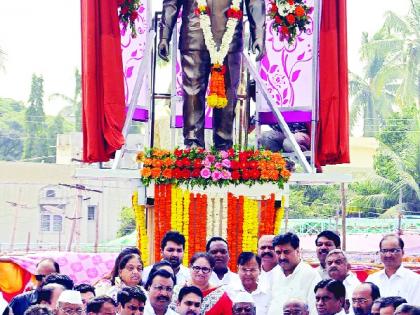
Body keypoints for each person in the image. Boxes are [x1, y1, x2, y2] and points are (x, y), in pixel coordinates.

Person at [158, 0, 266, 150]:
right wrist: (164, 36)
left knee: (227, 95)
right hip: (194, 32)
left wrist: (259, 35)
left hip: (230, 35)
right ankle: (193, 148)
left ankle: (223, 150)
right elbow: (172, 2)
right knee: (192, 94)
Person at [267, 232, 321, 315]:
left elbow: (315, 310)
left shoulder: (311, 275)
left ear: (298, 251)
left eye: (286, 252)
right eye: (278, 252)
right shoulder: (272, 274)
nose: (282, 257)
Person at [366, 234, 420, 303]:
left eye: (393, 250)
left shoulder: (415, 280)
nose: (388, 255)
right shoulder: (372, 279)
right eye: (384, 251)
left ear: (402, 252)